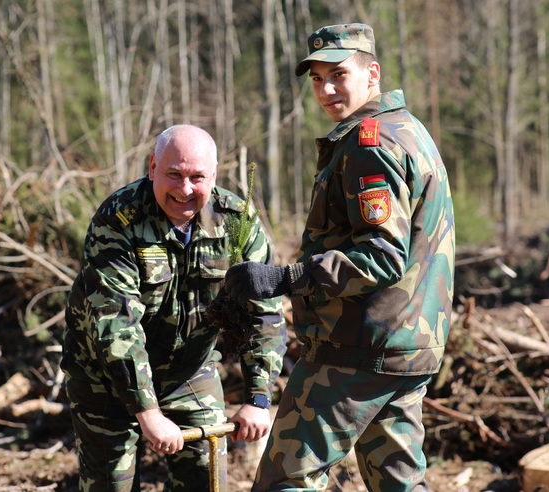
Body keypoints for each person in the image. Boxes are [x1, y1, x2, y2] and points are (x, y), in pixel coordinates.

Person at [222, 23, 455, 492]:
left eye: (338, 75)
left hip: (358, 349)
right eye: (316, 79)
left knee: (287, 479)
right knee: (398, 484)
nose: (325, 90)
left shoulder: (372, 145)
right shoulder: (407, 129)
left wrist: (284, 278)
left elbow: (381, 256)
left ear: (372, 73)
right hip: (406, 343)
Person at [62, 124, 287, 491]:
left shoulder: (237, 221)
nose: (184, 190)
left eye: (197, 177)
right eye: (174, 174)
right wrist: (147, 411)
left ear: (214, 175)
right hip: (106, 378)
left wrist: (258, 398)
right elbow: (115, 322)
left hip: (190, 371)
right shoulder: (118, 219)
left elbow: (263, 311)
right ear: (153, 167)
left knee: (206, 480)